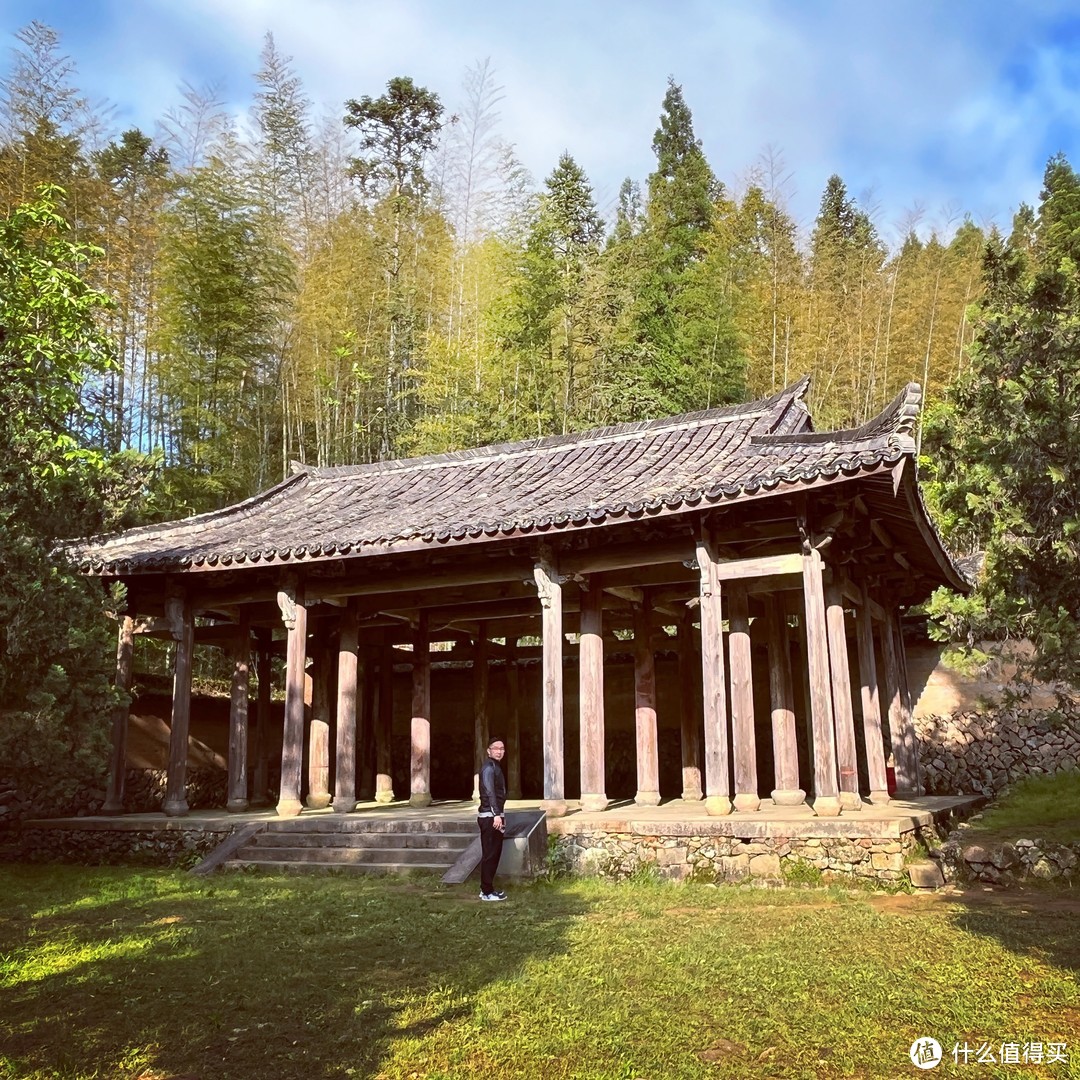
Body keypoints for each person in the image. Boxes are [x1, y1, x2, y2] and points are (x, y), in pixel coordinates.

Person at [477, 736, 508, 901]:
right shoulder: (489, 767)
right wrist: (496, 814)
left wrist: (501, 815)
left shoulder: (495, 766)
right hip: (489, 816)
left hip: (494, 815)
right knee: (490, 854)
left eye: (502, 748)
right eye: (496, 748)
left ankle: (488, 889)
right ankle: (487, 891)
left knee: (494, 853)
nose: (499, 751)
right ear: (489, 750)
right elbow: (490, 792)